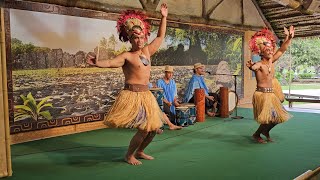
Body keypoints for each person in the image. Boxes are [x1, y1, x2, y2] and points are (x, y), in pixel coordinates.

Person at [86, 3, 168, 165]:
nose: (139, 40)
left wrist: (164, 17)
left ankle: (140, 151)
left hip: (146, 95)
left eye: (141, 37)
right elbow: (110, 62)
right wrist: (97, 63)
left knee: (153, 129)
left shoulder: (147, 51)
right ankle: (128, 155)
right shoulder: (127, 56)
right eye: (135, 37)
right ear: (130, 39)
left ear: (145, 37)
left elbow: (160, 37)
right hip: (132, 95)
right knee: (144, 128)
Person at [246, 26, 294, 143]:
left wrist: (289, 38)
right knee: (268, 118)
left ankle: (265, 131)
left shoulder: (271, 61)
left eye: (271, 50)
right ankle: (257, 134)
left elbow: (282, 49)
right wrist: (252, 66)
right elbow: (255, 67)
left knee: (277, 118)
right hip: (262, 96)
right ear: (261, 53)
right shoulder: (259, 64)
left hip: (271, 95)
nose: (271, 52)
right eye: (267, 50)